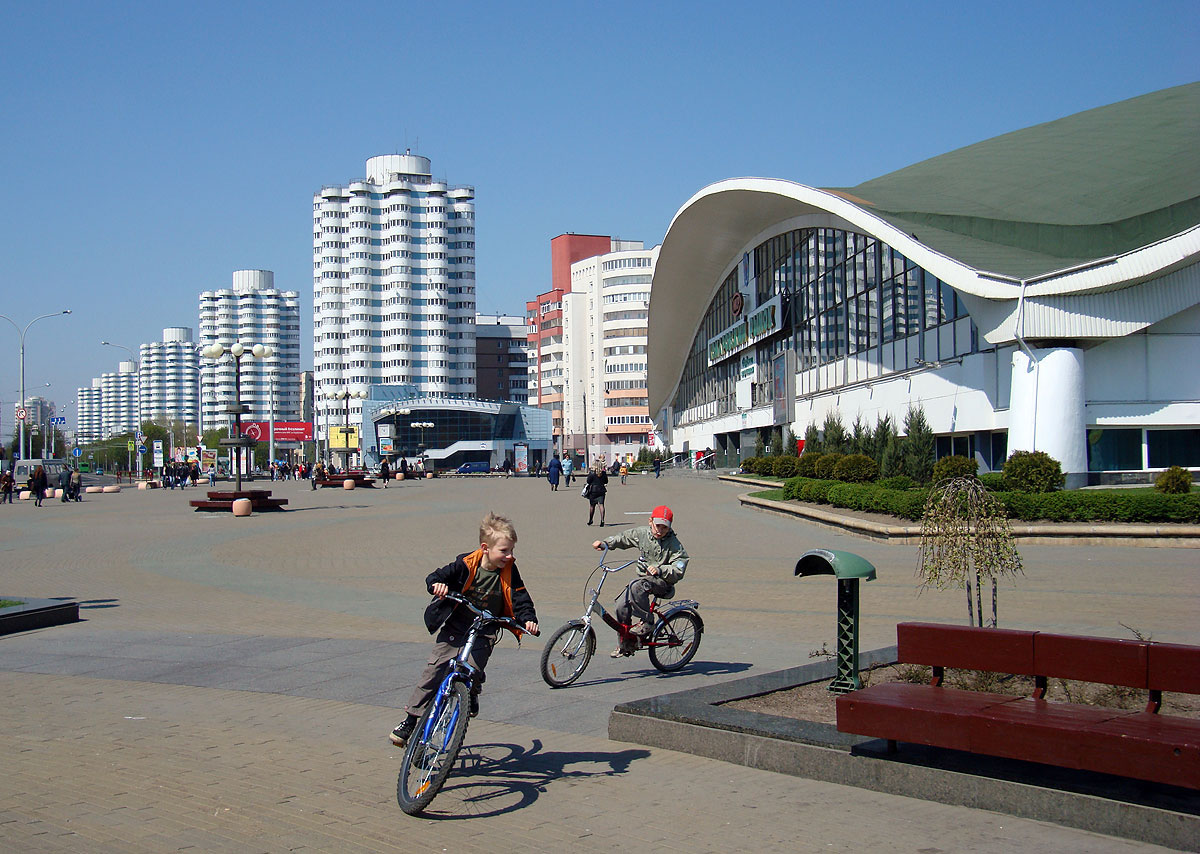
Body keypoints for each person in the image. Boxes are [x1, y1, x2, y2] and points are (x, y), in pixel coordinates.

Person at [389, 511, 539, 747]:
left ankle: (471, 694)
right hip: (457, 625)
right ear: (485, 548)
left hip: (485, 629)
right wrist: (436, 585)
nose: (510, 556)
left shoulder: (510, 570)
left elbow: (521, 598)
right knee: (434, 671)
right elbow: (437, 576)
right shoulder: (466, 564)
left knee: (474, 669)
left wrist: (528, 619)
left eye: (511, 550)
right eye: (504, 551)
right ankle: (410, 720)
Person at [592, 505, 689, 657]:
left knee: (636, 586)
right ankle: (627, 643)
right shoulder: (642, 533)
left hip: (663, 583)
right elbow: (624, 538)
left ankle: (648, 622)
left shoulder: (674, 544)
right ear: (650, 521)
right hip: (645, 580)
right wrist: (606, 543)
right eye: (658, 526)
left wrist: (661, 569)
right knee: (621, 604)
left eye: (665, 528)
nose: (660, 530)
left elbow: (679, 567)